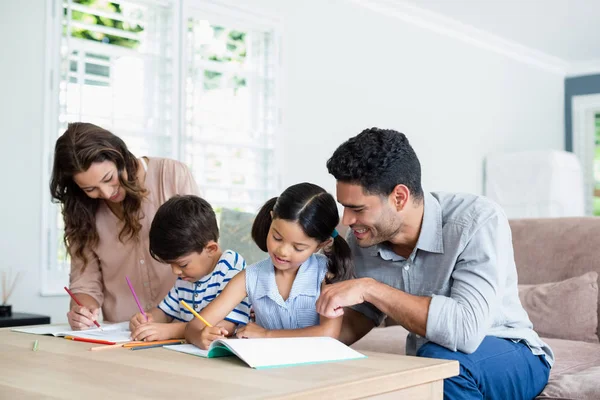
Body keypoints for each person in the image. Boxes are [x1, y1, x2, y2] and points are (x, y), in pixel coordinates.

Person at [317, 128, 553, 399]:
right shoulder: (364, 238)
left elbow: (465, 331)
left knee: (440, 367)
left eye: (357, 209)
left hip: (512, 350)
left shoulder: (476, 221)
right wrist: (290, 344)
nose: (346, 220)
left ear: (399, 197)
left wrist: (370, 288)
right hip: (432, 355)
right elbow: (361, 316)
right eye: (344, 207)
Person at [50, 122, 200, 329]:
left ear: (119, 156)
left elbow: (203, 254)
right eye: (90, 188)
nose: (105, 193)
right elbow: (85, 281)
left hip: (186, 329)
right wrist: (83, 311)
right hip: (124, 334)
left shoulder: (172, 175)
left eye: (109, 178)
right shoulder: (82, 211)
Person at [185, 182, 354, 350]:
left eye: (298, 248)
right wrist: (200, 336)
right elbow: (194, 326)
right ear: (272, 218)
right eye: (277, 238)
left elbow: (329, 333)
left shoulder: (327, 274)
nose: (282, 251)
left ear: (320, 245)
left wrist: (267, 335)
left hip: (317, 368)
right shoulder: (249, 278)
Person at [129, 195, 250, 341]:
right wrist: (148, 320)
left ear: (210, 249)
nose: (175, 271)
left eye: (182, 264)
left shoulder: (231, 265)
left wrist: (171, 331)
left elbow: (227, 326)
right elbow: (165, 312)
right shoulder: (187, 276)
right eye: (171, 264)